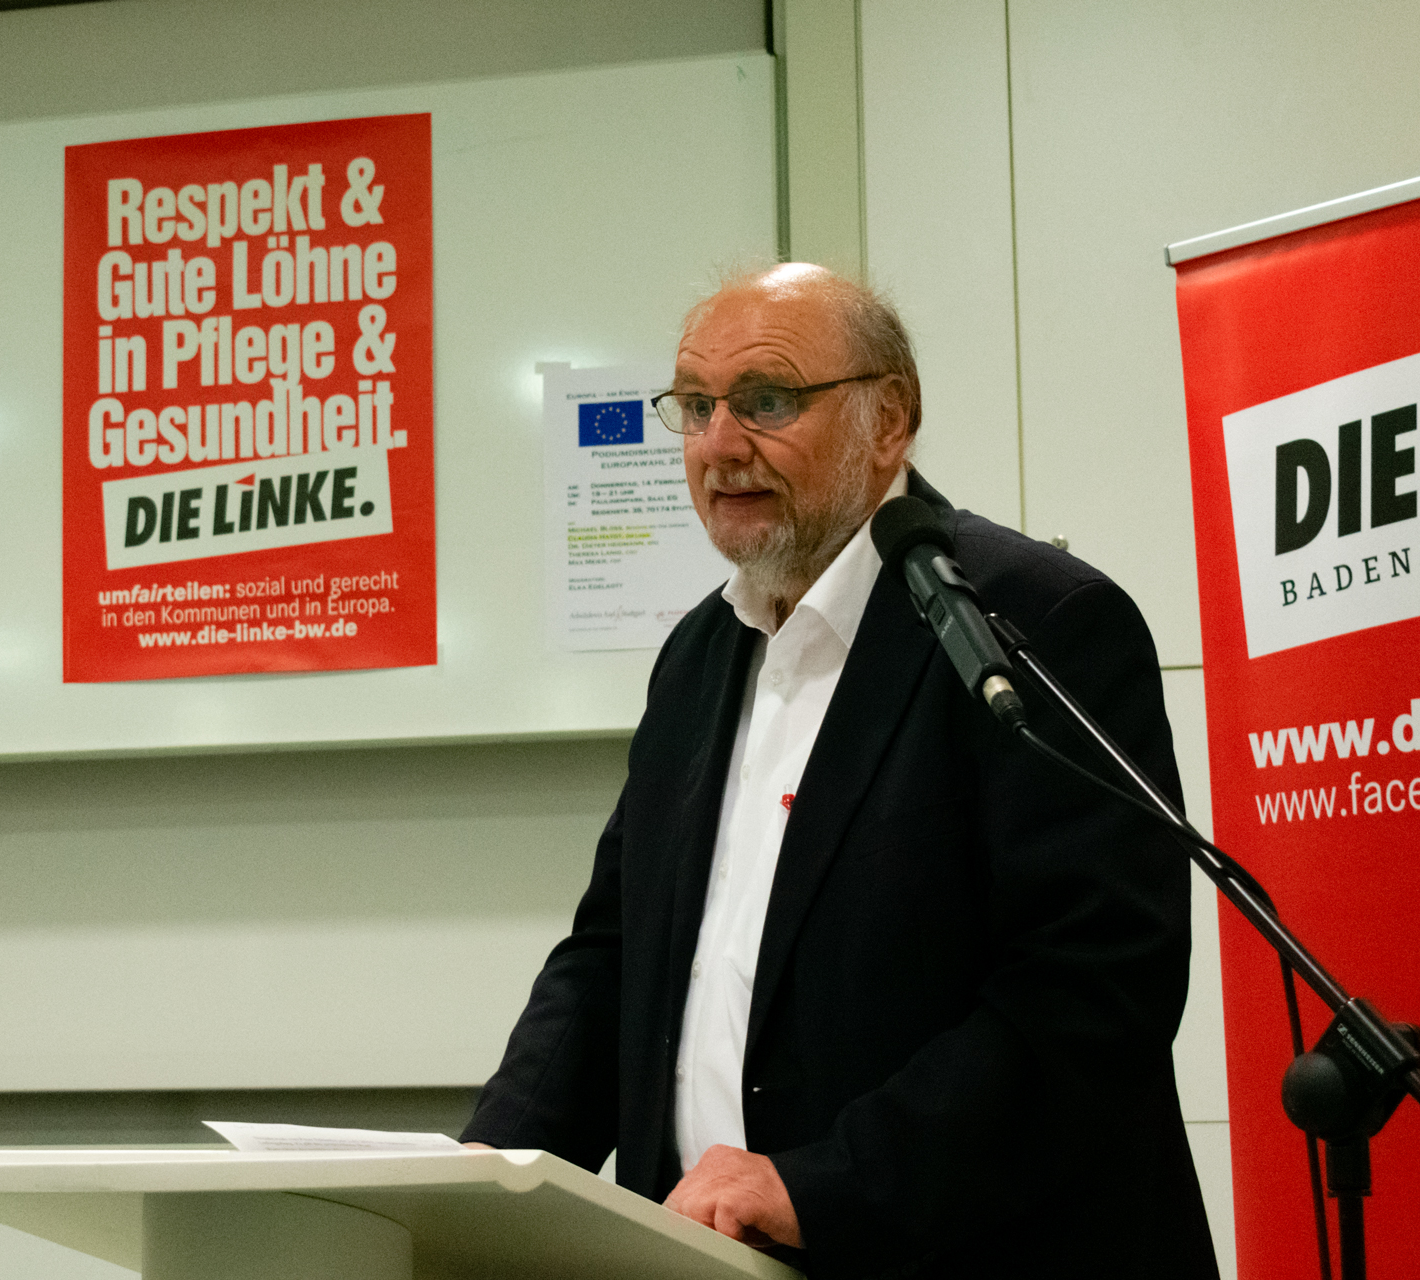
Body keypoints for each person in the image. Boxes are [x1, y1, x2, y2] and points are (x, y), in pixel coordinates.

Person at [461, 264, 1218, 1277]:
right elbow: (612, 957)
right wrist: (488, 1174)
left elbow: (1090, 991)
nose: (720, 444)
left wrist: (817, 1185)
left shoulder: (1031, 623)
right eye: (695, 405)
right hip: (701, 1257)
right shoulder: (697, 656)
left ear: (888, 420)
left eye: (766, 400)